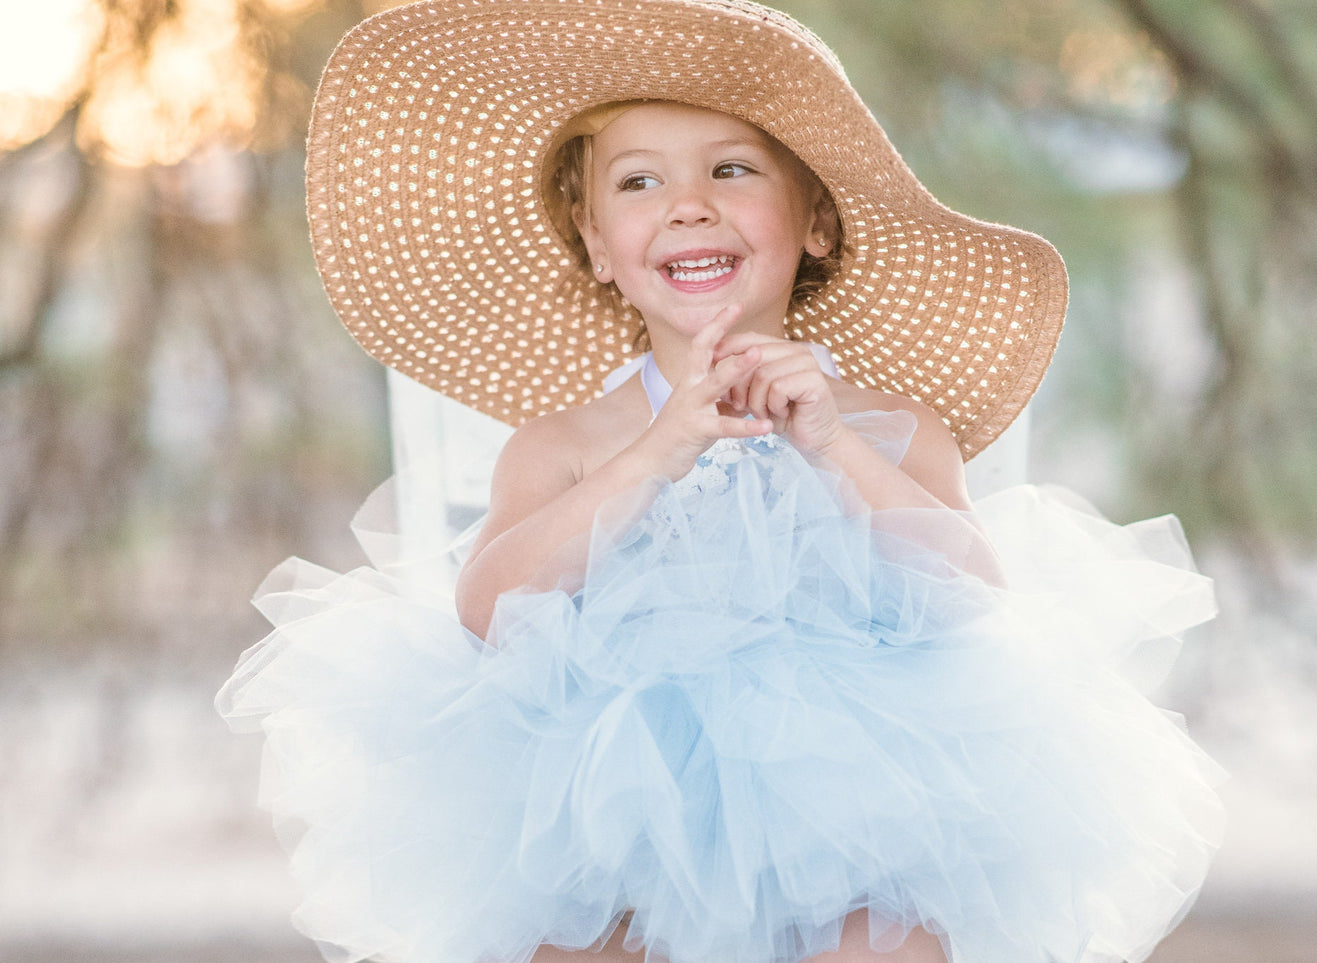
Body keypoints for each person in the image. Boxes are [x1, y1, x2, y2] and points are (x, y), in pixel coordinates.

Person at [218, 2, 1224, 963]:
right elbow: (487, 609)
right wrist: (654, 453)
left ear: (815, 223)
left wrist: (836, 450)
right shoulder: (566, 444)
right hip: (602, 800)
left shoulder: (885, 426)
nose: (686, 204)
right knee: (544, 942)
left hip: (860, 800)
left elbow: (970, 593)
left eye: (730, 170)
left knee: (893, 943)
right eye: (638, 184)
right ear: (596, 250)